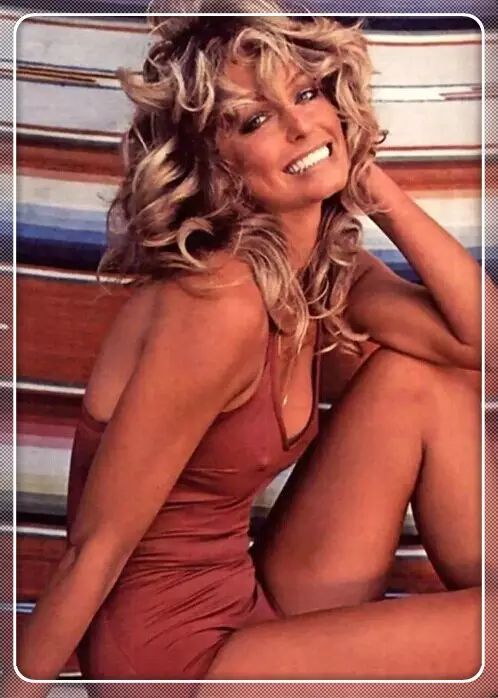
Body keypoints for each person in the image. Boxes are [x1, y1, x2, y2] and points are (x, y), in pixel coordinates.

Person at [11, 12, 483, 692]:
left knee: (424, 382)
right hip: (169, 662)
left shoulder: (322, 269)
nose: (298, 126)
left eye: (307, 94)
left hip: (245, 607)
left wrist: (364, 175)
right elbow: (95, 547)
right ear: (216, 166)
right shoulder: (217, 305)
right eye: (255, 120)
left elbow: (480, 343)